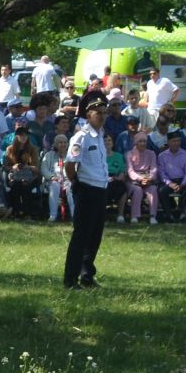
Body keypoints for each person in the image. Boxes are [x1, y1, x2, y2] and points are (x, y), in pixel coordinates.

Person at [63, 100, 112, 289]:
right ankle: (70, 279)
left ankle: (87, 275)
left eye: (104, 112)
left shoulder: (100, 136)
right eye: (98, 112)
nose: (102, 115)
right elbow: (69, 165)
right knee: (81, 236)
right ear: (88, 115)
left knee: (95, 236)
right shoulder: (81, 137)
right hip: (87, 189)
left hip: (101, 189)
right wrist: (77, 183)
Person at [156, 129, 186, 223]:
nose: (176, 143)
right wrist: (170, 184)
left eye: (178, 141)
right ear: (168, 142)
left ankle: (183, 214)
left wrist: (182, 184)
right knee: (162, 191)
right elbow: (161, 173)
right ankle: (168, 214)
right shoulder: (162, 156)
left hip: (182, 180)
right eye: (174, 141)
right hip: (168, 181)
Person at [124, 140, 159, 224]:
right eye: (140, 142)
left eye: (144, 142)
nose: (143, 143)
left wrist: (149, 178)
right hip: (133, 181)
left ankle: (152, 216)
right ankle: (134, 216)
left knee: (153, 189)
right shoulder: (129, 154)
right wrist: (140, 179)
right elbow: (130, 171)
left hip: (148, 179)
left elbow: (153, 169)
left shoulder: (151, 153)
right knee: (137, 190)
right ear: (136, 143)